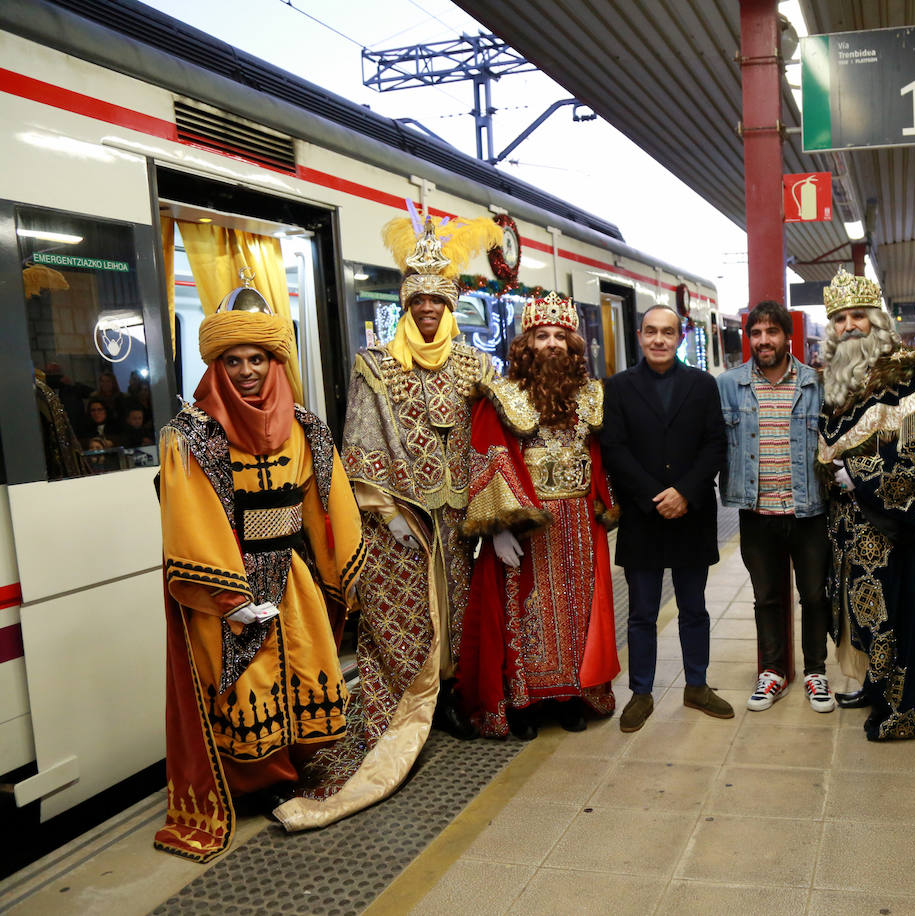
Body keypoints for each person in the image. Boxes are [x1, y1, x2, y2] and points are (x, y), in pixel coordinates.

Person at [274, 216, 493, 833]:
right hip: (399, 523)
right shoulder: (377, 365)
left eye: (437, 301)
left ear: (451, 305)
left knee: (456, 607)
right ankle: (407, 703)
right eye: (417, 300)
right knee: (406, 616)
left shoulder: (474, 366)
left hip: (460, 522)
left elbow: (494, 435)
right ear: (405, 305)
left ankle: (447, 696)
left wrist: (494, 506)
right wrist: (386, 511)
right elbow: (361, 443)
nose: (427, 311)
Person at [155, 276, 363, 863]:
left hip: (293, 575)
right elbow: (191, 516)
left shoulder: (306, 425)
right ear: (217, 365)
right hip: (232, 581)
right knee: (243, 680)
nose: (247, 371)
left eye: (258, 358)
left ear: (275, 361)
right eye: (234, 360)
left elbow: (329, 498)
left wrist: (341, 568)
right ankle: (250, 783)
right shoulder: (192, 435)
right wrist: (230, 597)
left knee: (302, 667)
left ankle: (291, 770)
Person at [461, 292, 619, 738]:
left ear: (573, 345)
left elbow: (602, 459)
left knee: (578, 611)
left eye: (560, 336)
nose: (552, 344)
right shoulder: (505, 396)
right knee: (526, 612)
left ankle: (571, 695)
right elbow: (490, 455)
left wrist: (606, 505)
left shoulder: (591, 396)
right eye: (541, 335)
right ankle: (524, 702)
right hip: (528, 525)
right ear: (525, 344)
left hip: (580, 525)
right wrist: (498, 527)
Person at [817, 268, 915, 741]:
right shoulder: (835, 383)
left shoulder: (905, 373)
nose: (849, 327)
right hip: (848, 527)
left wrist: (857, 477)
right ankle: (874, 687)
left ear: (876, 321)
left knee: (894, 617)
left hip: (894, 529)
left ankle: (900, 709)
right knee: (860, 615)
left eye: (858, 316)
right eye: (840, 319)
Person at [601, 305, 731, 732]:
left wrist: (685, 493)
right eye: (652, 332)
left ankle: (697, 685)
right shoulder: (618, 388)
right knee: (641, 612)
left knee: (694, 607)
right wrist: (654, 497)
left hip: (691, 514)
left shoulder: (702, 385)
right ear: (639, 336)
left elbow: (714, 445)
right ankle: (641, 692)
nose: (659, 339)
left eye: (668, 332)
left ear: (679, 337)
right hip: (644, 517)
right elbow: (615, 450)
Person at [716, 300, 833, 714]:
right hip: (757, 512)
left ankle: (816, 671)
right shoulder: (728, 385)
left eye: (772, 332)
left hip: (809, 512)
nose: (764, 340)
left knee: (814, 595)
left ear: (787, 336)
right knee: (766, 597)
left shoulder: (817, 383)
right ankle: (773, 672)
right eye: (756, 333)